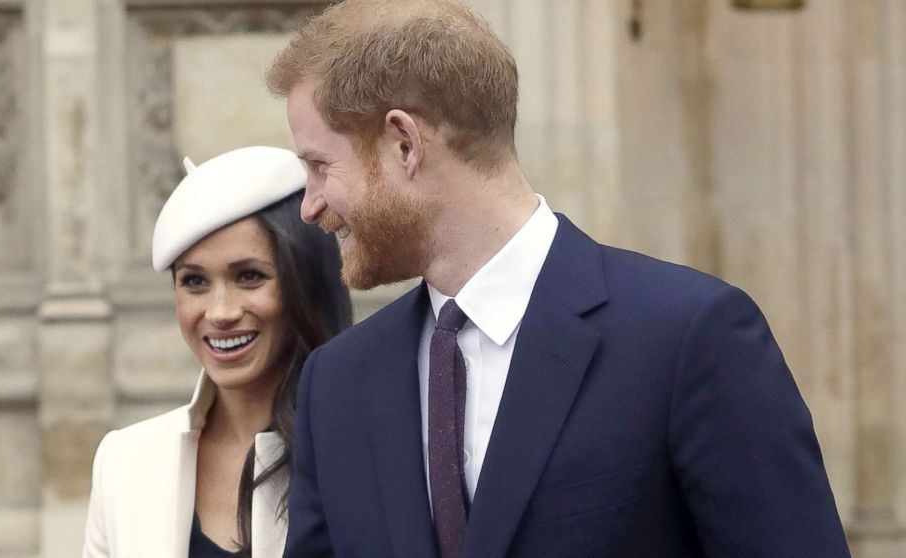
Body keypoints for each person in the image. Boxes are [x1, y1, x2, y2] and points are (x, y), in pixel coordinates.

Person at [265, 1, 851, 557]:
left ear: (404, 143)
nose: (311, 206)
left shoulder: (689, 339)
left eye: (319, 165)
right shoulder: (336, 384)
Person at [81, 146, 352, 558]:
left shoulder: (363, 451)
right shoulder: (124, 463)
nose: (221, 312)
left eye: (249, 276)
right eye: (194, 282)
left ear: (306, 283)